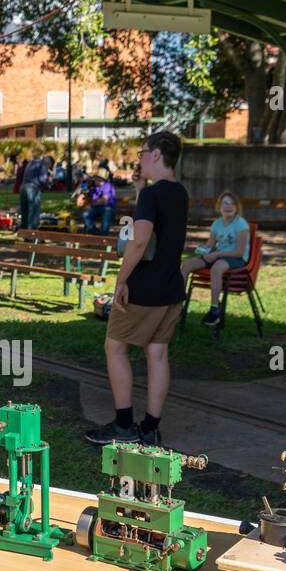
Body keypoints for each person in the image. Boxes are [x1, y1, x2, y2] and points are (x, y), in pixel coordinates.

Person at [86, 131, 187, 446]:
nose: (139, 158)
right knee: (157, 354)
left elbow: (140, 240)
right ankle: (150, 428)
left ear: (156, 154)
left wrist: (120, 281)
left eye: (144, 152)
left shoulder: (151, 197)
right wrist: (141, 189)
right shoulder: (179, 193)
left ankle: (124, 425)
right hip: (171, 288)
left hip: (144, 287)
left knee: (114, 347)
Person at [180, 191, 250, 327]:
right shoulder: (217, 223)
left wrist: (217, 254)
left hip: (236, 258)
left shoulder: (241, 224)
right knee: (187, 265)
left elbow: (240, 252)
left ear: (237, 207)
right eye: (225, 203)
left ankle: (214, 311)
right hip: (218, 256)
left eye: (231, 203)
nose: (228, 206)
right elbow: (210, 245)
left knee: (217, 267)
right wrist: (202, 249)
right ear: (219, 206)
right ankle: (178, 305)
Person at [19, 155, 53, 231]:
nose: (49, 168)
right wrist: (49, 182)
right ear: (49, 163)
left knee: (25, 212)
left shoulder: (32, 162)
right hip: (32, 188)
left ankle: (24, 233)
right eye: (50, 166)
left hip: (23, 187)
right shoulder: (43, 165)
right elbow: (42, 179)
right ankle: (32, 234)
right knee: (33, 212)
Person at [80, 170, 117, 235]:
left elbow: (103, 200)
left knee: (107, 213)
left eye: (95, 177)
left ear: (101, 179)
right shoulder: (94, 187)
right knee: (85, 214)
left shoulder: (108, 185)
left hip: (108, 208)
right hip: (97, 208)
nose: (93, 179)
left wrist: (91, 205)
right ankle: (94, 233)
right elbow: (86, 195)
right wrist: (83, 193)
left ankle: (103, 236)